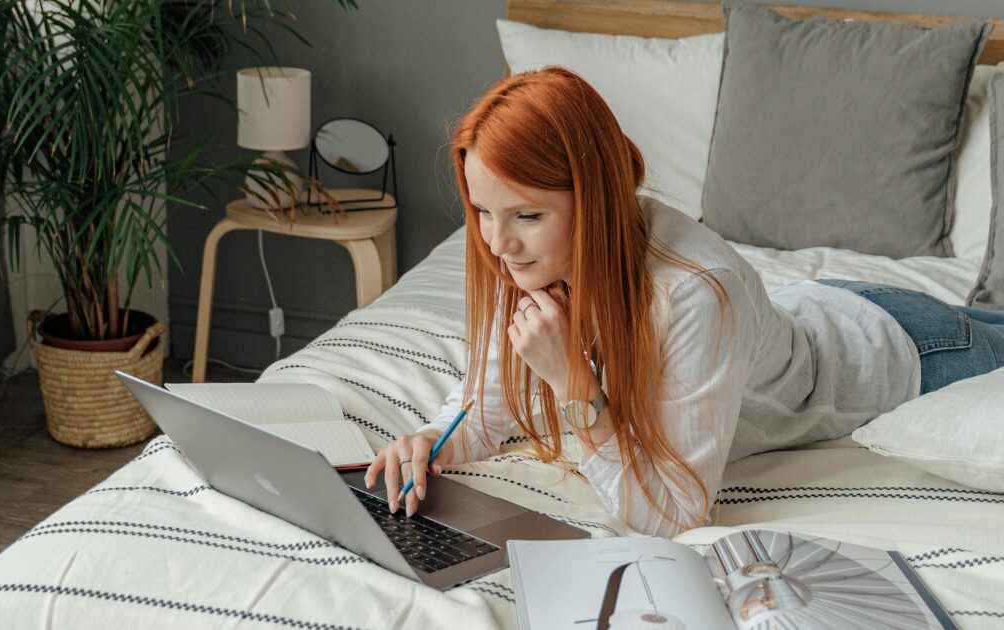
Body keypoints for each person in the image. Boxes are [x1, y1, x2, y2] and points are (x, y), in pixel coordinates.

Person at [364, 67, 1004, 538]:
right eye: (481, 212)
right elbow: (486, 408)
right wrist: (429, 442)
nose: (498, 243)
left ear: (597, 198)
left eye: (527, 214)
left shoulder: (696, 292)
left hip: (903, 345)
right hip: (818, 304)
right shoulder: (533, 258)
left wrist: (572, 383)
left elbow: (671, 515)